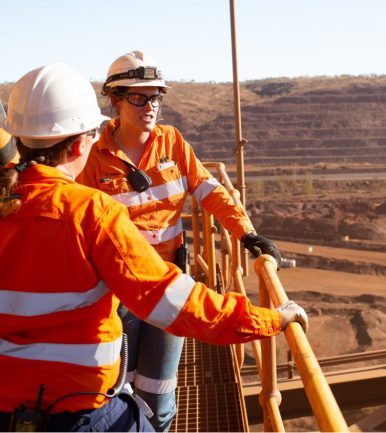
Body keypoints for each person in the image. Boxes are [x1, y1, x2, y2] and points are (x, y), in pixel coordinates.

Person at [0, 63, 307, 432]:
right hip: (72, 412)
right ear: (82, 144)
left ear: (19, 137)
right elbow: (176, 304)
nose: (150, 105)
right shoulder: (91, 212)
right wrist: (268, 320)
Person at [76, 50, 281, 432]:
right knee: (118, 388)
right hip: (117, 290)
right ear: (115, 100)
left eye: (156, 97)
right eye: (139, 98)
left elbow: (209, 189)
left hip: (169, 285)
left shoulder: (171, 142)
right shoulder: (93, 157)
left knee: (159, 394)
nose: (150, 106)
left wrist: (245, 232)